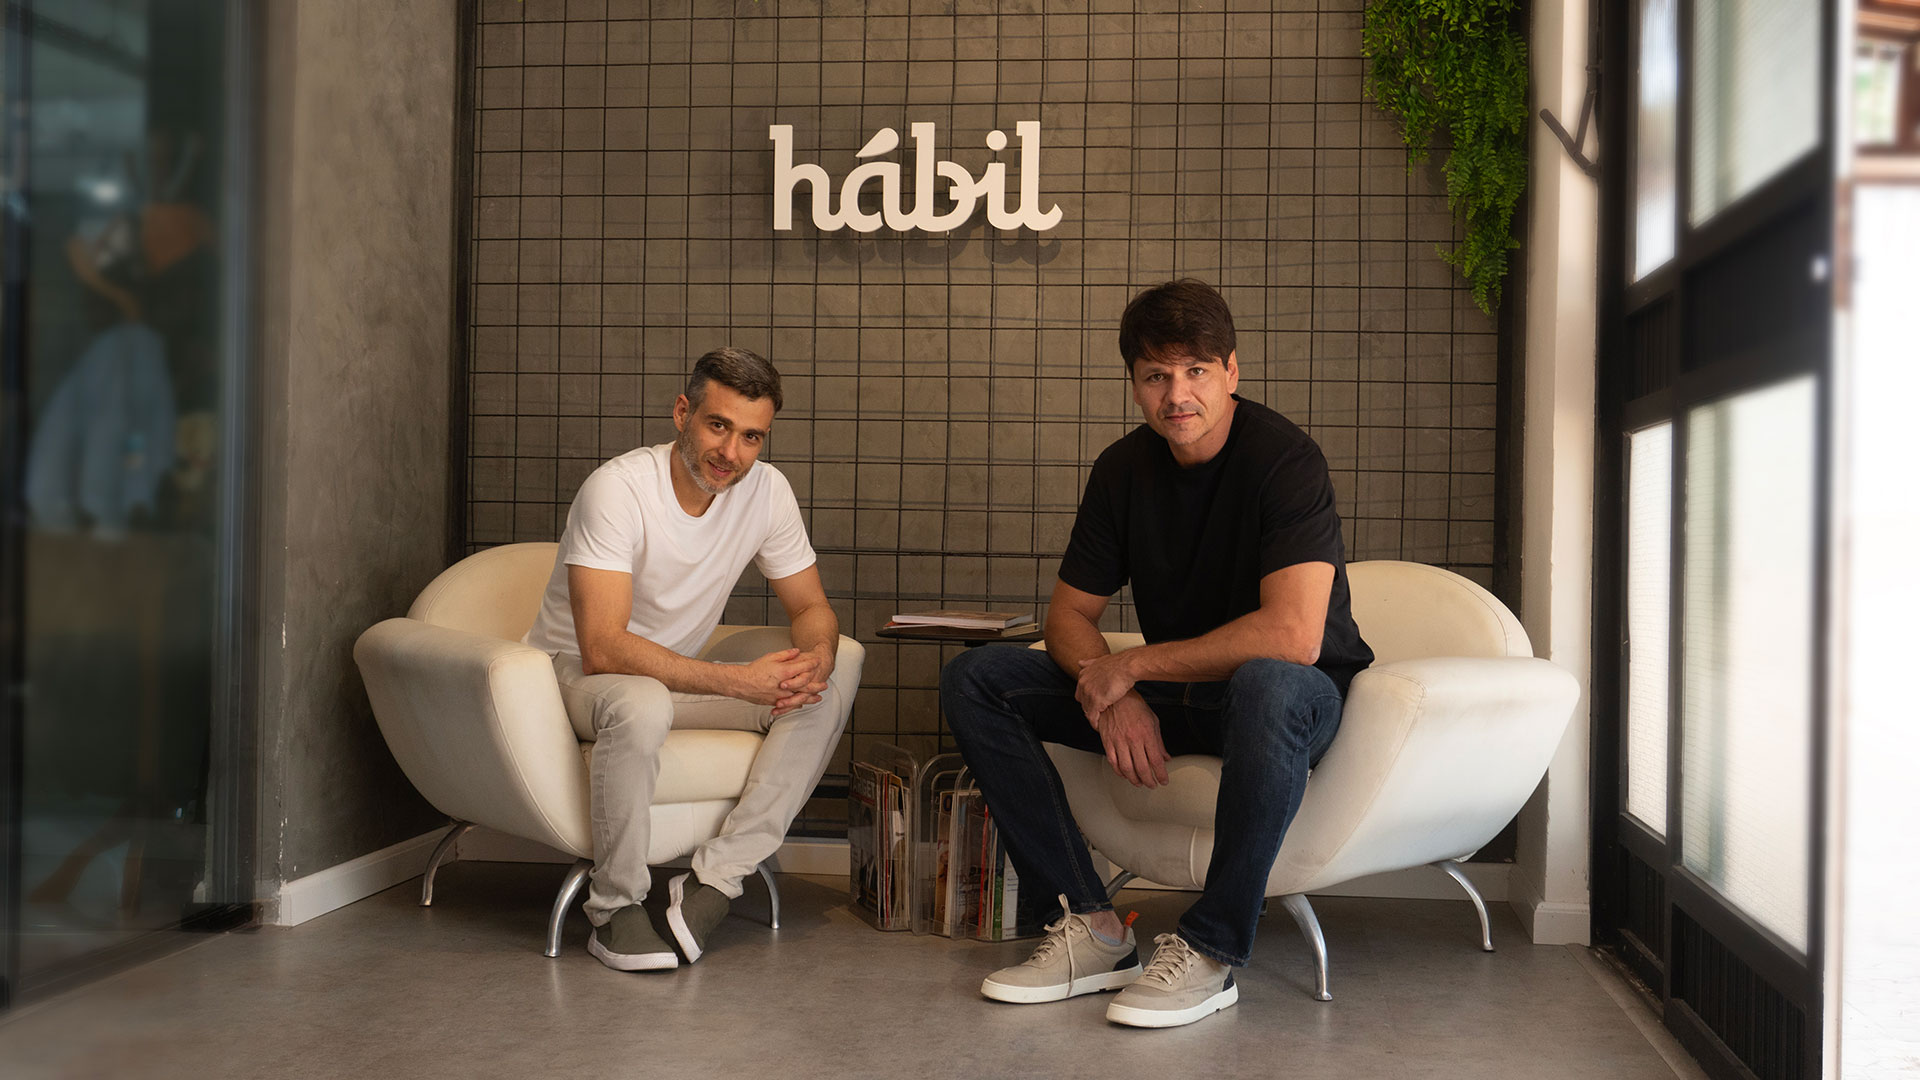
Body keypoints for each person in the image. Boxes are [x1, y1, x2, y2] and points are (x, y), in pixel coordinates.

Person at [940, 279, 1373, 1028]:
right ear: (1135, 384)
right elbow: (1068, 617)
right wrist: (1119, 696)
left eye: (1196, 371)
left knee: (1267, 682)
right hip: (1185, 694)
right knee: (978, 678)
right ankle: (1091, 928)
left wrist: (1131, 667)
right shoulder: (1122, 470)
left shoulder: (1285, 460)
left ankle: (1211, 948)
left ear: (1231, 371)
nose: (1177, 395)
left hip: (1293, 701)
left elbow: (1294, 636)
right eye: (1156, 376)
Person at [526, 346, 863, 972]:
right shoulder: (618, 489)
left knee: (828, 681)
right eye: (718, 426)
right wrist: (738, 684)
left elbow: (811, 606)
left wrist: (818, 655)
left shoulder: (767, 491)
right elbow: (602, 647)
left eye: (751, 436)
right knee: (640, 699)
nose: (731, 452)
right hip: (567, 678)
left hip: (669, 680)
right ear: (683, 413)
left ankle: (718, 880)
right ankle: (613, 908)